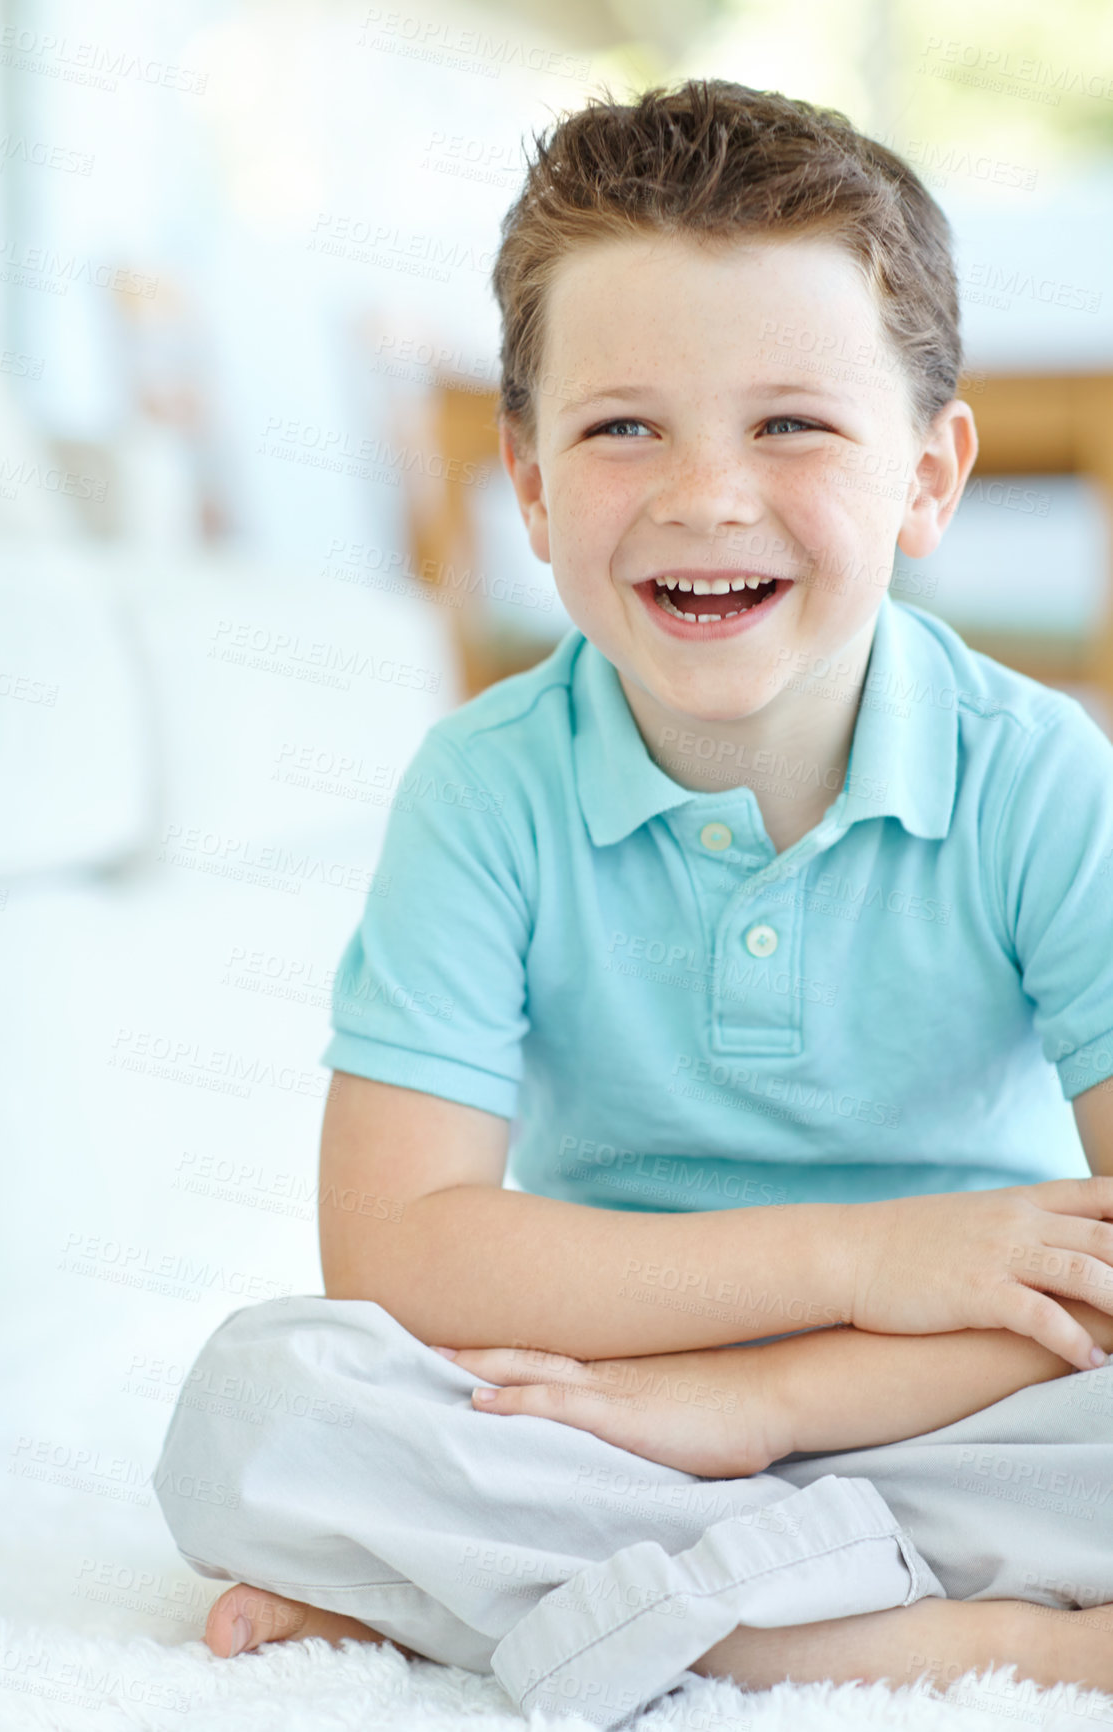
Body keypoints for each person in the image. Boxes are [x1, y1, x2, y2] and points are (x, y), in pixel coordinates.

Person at [154, 80, 1113, 1725]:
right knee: (262, 1401)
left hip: (949, 1396)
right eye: (622, 427)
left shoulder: (1040, 776)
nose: (705, 495)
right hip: (596, 1400)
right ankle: (963, 1633)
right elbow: (398, 1249)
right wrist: (853, 1259)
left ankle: (529, 1608)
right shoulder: (485, 785)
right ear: (527, 484)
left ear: (925, 475)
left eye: (790, 423)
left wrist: (777, 1404)